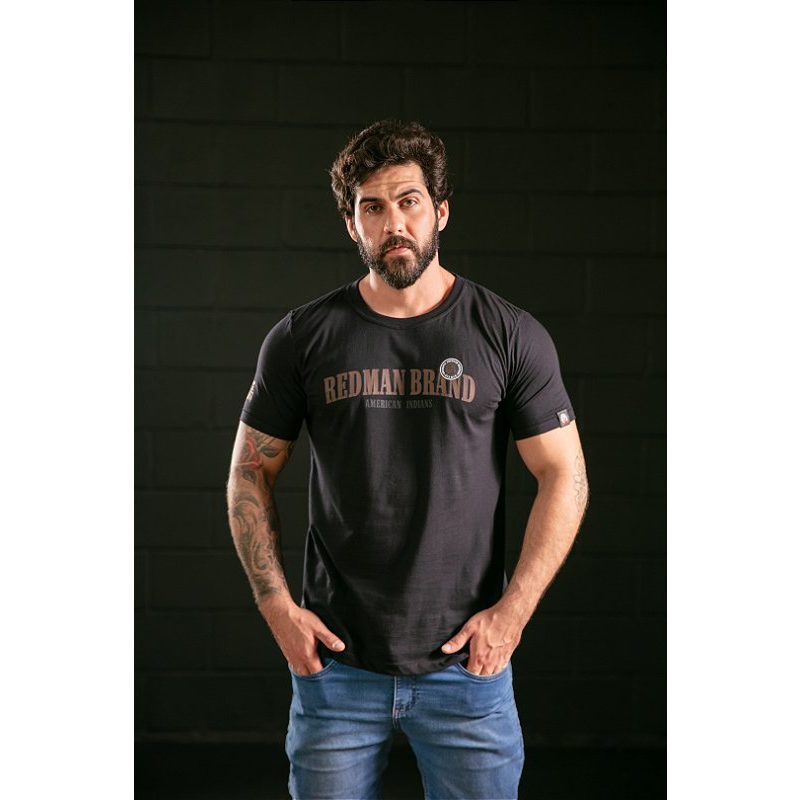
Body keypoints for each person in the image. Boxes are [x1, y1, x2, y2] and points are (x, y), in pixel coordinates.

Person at [226, 119, 589, 800]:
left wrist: (512, 614)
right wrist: (276, 607)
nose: (394, 223)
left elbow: (564, 473)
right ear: (351, 223)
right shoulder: (302, 338)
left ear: (440, 211)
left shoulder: (508, 334)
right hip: (336, 668)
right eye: (373, 207)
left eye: (409, 201)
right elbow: (250, 471)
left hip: (468, 669)